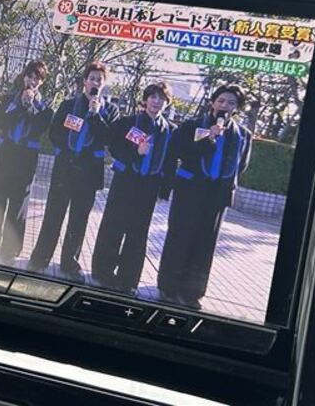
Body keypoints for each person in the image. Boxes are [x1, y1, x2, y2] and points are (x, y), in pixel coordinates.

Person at [157, 85, 253, 309]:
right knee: (180, 237)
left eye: (231, 103)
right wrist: (208, 138)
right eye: (221, 101)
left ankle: (192, 292)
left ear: (236, 109)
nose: (225, 106)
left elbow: (242, 165)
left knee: (205, 243)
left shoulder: (243, 135)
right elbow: (178, 152)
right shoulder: (192, 126)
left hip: (217, 196)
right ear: (212, 103)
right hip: (189, 191)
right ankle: (168, 287)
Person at [28, 62, 120, 281]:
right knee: (53, 214)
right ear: (85, 81)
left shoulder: (110, 110)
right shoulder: (69, 104)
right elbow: (54, 132)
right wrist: (65, 150)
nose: (95, 82)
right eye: (92, 78)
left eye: (99, 79)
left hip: (89, 173)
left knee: (79, 220)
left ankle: (70, 263)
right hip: (65, 168)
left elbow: (109, 138)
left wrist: (96, 115)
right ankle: (40, 258)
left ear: (104, 84)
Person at [91, 82, 173, 295]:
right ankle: (102, 273)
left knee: (138, 233)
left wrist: (164, 190)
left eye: (161, 98)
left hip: (149, 187)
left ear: (167, 103)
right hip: (125, 182)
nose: (156, 101)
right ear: (145, 100)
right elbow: (114, 147)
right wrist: (136, 152)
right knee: (113, 226)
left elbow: (171, 162)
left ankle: (128, 279)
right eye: (153, 97)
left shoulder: (170, 130)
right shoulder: (128, 122)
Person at [0, 60, 53, 265]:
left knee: (18, 207)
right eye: (30, 76)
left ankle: (9, 251)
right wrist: (18, 104)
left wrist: (30, 106)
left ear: (42, 82)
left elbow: (40, 128)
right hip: (5, 157)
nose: (32, 81)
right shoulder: (8, 100)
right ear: (24, 77)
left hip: (26, 162)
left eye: (37, 78)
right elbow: (1, 122)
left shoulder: (45, 107)